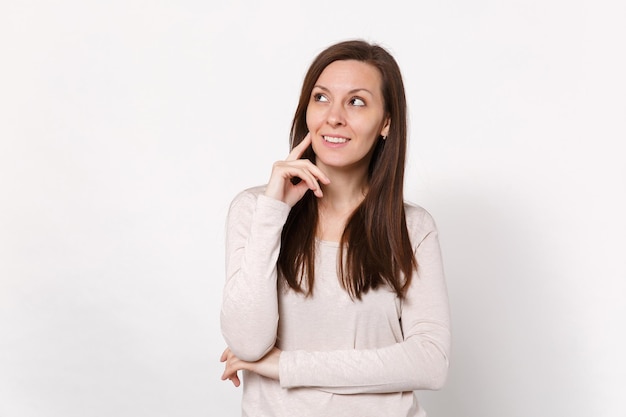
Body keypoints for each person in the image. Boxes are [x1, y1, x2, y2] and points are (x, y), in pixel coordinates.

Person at [219, 39, 450, 417]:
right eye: (321, 98)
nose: (334, 117)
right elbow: (247, 343)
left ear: (386, 123)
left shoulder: (410, 227)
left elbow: (430, 361)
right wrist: (273, 210)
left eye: (357, 101)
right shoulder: (256, 211)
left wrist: (284, 366)